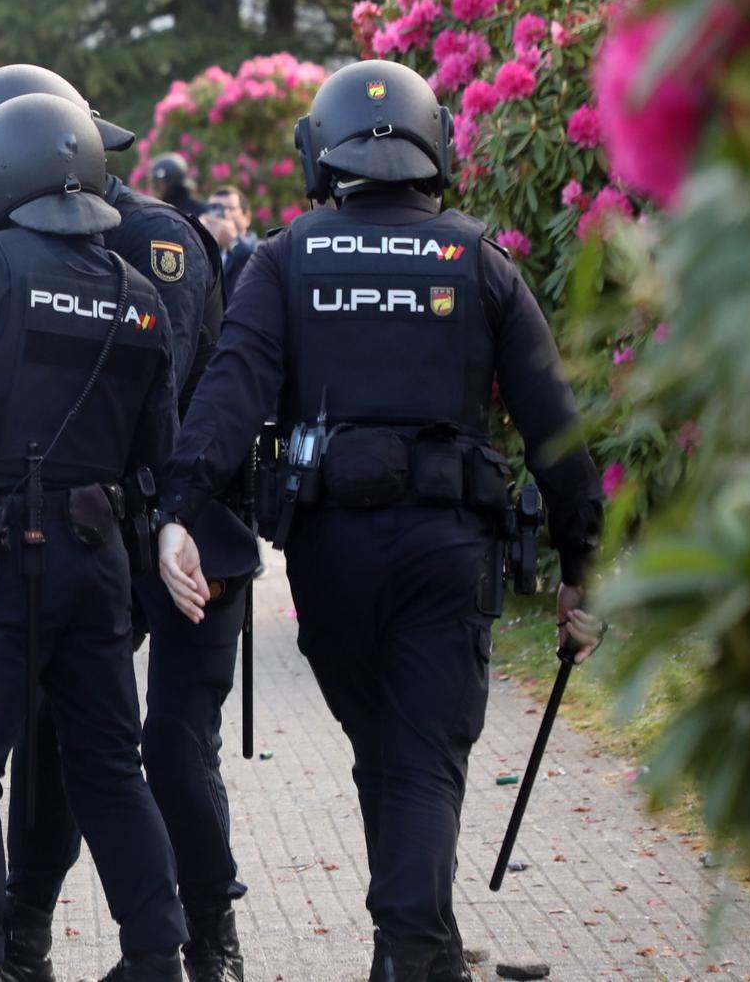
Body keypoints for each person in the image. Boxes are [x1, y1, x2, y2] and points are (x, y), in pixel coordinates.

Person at [154, 60, 607, 982]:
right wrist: (580, 564)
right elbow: (556, 430)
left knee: (391, 755)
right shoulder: (480, 260)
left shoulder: (285, 258)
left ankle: (414, 945)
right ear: (432, 143)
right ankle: (413, 949)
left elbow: (228, 396)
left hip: (333, 561)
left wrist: (177, 512)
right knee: (421, 759)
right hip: (448, 555)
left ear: (322, 153)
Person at [0, 65, 253, 982]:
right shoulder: (23, 248)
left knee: (166, 744)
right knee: (61, 744)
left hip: (179, 531)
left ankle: (209, 937)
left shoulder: (161, 242)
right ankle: (26, 928)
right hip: (93, 542)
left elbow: (168, 402)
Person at [0, 92, 189, 982]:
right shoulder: (141, 295)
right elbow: (159, 451)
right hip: (99, 558)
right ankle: (156, 954)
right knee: (109, 763)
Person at [206, 185, 259, 303]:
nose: (223, 214)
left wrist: (233, 242)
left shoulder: (260, 249)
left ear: (247, 218)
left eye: (229, 208)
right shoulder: (207, 251)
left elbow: (251, 256)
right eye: (214, 208)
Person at [146, 153, 212, 221]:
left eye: (157, 184)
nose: (152, 188)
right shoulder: (157, 210)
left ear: (171, 183)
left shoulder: (198, 212)